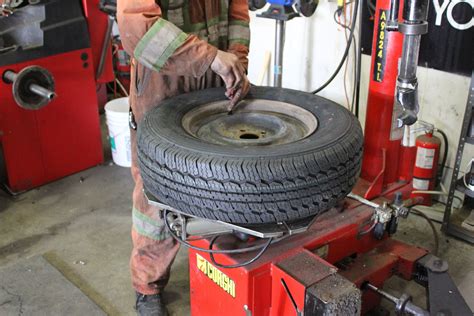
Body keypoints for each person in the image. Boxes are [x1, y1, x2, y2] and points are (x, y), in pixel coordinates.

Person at [117, 0, 251, 315]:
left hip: (215, 82)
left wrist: (237, 61)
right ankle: (147, 286)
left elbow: (238, 11)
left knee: (220, 174)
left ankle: (217, 265)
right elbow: (136, 25)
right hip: (162, 86)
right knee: (156, 193)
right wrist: (210, 57)